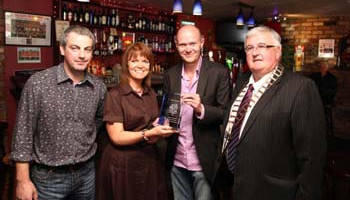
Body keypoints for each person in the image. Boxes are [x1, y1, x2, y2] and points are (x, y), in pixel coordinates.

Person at [219, 26, 327, 200]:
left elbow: (312, 157)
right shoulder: (241, 82)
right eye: (249, 48)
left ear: (278, 51)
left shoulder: (300, 88)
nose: (255, 53)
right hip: (238, 184)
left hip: (273, 191)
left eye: (262, 46)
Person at [11, 25, 107, 200]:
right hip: (48, 179)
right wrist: (22, 180)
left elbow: (98, 120)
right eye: (75, 48)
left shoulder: (99, 87)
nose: (82, 55)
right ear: (62, 49)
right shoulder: (38, 84)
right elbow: (22, 133)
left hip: (86, 175)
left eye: (87, 49)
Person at [96, 42, 176, 200]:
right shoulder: (115, 95)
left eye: (145, 61)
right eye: (134, 61)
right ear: (127, 64)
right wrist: (148, 133)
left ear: (150, 66)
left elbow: (151, 125)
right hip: (122, 165)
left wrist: (162, 130)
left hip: (148, 162)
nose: (140, 65)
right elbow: (117, 137)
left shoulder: (150, 93)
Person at [163, 25, 231, 200]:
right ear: (176, 45)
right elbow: (168, 109)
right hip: (176, 158)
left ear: (201, 42)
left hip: (203, 159)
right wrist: (163, 121)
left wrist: (202, 109)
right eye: (182, 44)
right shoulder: (171, 74)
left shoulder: (219, 72)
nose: (187, 49)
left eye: (192, 43)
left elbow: (226, 113)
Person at [311, 60, 337, 135]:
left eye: (324, 67)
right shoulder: (314, 76)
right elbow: (310, 86)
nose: (322, 68)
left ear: (327, 68)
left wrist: (321, 90)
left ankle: (323, 130)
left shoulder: (332, 78)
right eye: (321, 67)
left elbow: (332, 91)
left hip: (325, 100)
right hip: (314, 99)